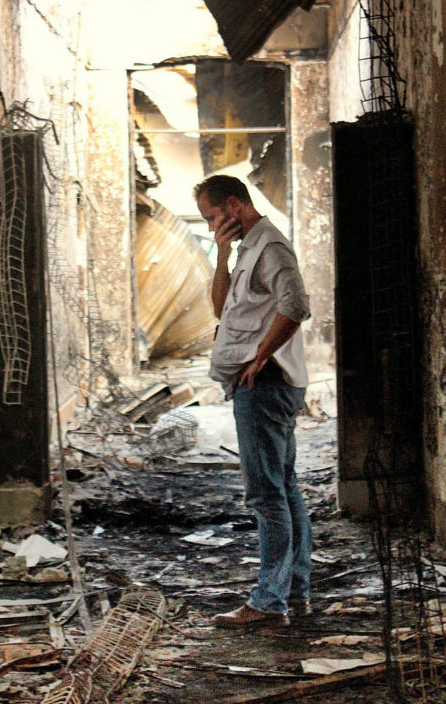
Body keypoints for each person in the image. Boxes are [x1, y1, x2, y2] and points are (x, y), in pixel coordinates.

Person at [193, 174, 312, 629]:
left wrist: (262, 356)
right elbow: (222, 310)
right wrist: (220, 255)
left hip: (266, 385)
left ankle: (268, 601)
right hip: (261, 384)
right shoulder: (247, 250)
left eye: (212, 218)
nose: (209, 227)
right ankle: (293, 591)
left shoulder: (272, 248)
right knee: (283, 486)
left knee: (266, 495)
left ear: (233, 205)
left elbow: (296, 305)